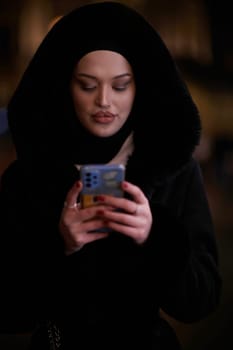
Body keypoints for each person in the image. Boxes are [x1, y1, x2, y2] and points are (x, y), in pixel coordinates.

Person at [0, 2, 222, 349]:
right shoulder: (25, 177)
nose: (104, 101)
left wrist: (155, 237)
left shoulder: (175, 171)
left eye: (120, 85)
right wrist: (58, 246)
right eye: (87, 85)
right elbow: (9, 313)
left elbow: (201, 301)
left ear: (141, 87)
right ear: (65, 86)